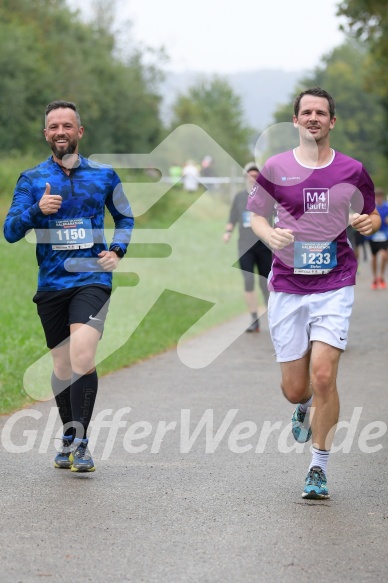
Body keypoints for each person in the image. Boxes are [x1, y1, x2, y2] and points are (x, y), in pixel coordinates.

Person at [247, 87, 381, 499]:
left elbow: (372, 214)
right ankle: (303, 407)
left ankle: (318, 468)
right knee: (296, 389)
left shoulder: (352, 170)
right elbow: (256, 215)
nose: (313, 118)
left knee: (324, 375)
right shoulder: (276, 166)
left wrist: (369, 224)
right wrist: (271, 235)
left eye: (321, 112)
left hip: (334, 282)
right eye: (306, 112)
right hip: (287, 284)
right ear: (296, 121)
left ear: (331, 122)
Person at [3, 100, 134, 473]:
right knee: (62, 365)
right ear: (46, 134)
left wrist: (117, 250)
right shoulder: (31, 180)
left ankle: (81, 442)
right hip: (52, 284)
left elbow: (125, 216)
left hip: (92, 279)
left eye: (67, 125)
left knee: (83, 355)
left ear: (80, 131)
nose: (60, 131)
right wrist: (36, 211)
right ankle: (68, 435)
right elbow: (10, 232)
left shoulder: (104, 176)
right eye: (53, 126)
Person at [223, 162, 272, 332]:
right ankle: (253, 318)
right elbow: (232, 218)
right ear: (246, 178)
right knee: (249, 281)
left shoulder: (268, 197)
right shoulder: (239, 197)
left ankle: (272, 314)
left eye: (257, 177)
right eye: (250, 176)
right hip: (245, 246)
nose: (253, 179)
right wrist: (227, 232)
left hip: (265, 245)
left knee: (266, 283)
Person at [365, 187, 388, 289]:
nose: (378, 198)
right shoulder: (371, 207)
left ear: (382, 197)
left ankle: (381, 277)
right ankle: (374, 278)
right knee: (374, 257)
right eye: (377, 196)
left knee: (384, 255)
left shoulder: (386, 207)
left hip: (384, 234)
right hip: (373, 235)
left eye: (380, 196)